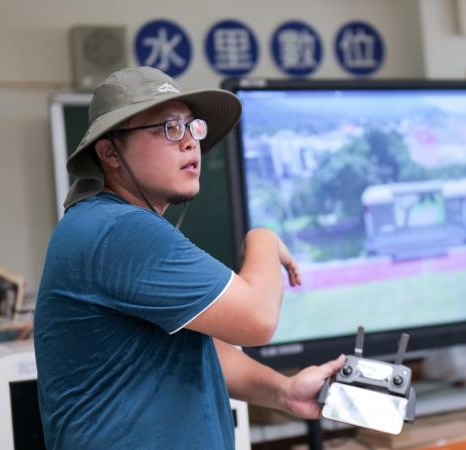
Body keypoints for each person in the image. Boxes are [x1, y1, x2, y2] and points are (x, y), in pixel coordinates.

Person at [34, 66, 344, 449]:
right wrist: (262, 238)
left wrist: (284, 391)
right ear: (109, 151)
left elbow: (195, 348)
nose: (190, 143)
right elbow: (258, 319)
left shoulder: (107, 224)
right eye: (167, 128)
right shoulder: (120, 230)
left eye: (191, 127)